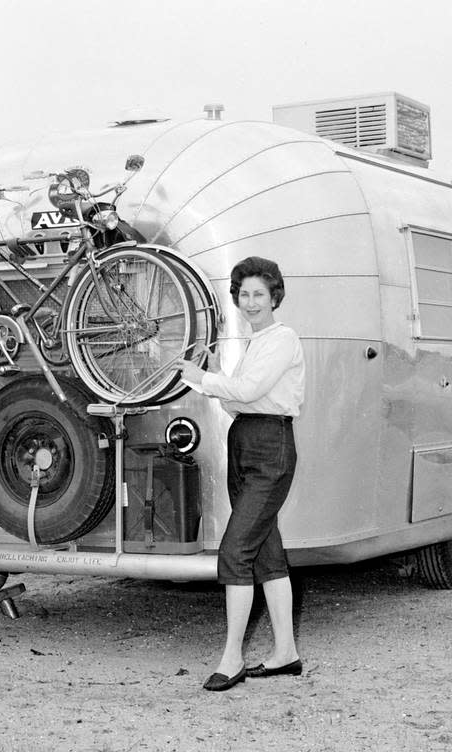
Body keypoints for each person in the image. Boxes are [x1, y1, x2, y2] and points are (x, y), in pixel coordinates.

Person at [175, 256, 305, 692]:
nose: (250, 302)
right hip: (246, 440)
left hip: (271, 447)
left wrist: (203, 379)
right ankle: (285, 652)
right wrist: (211, 377)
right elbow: (237, 404)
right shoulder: (256, 342)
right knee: (266, 553)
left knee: (235, 551)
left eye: (259, 295)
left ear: (275, 297)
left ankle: (232, 658)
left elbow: (248, 392)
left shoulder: (282, 338)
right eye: (243, 294)